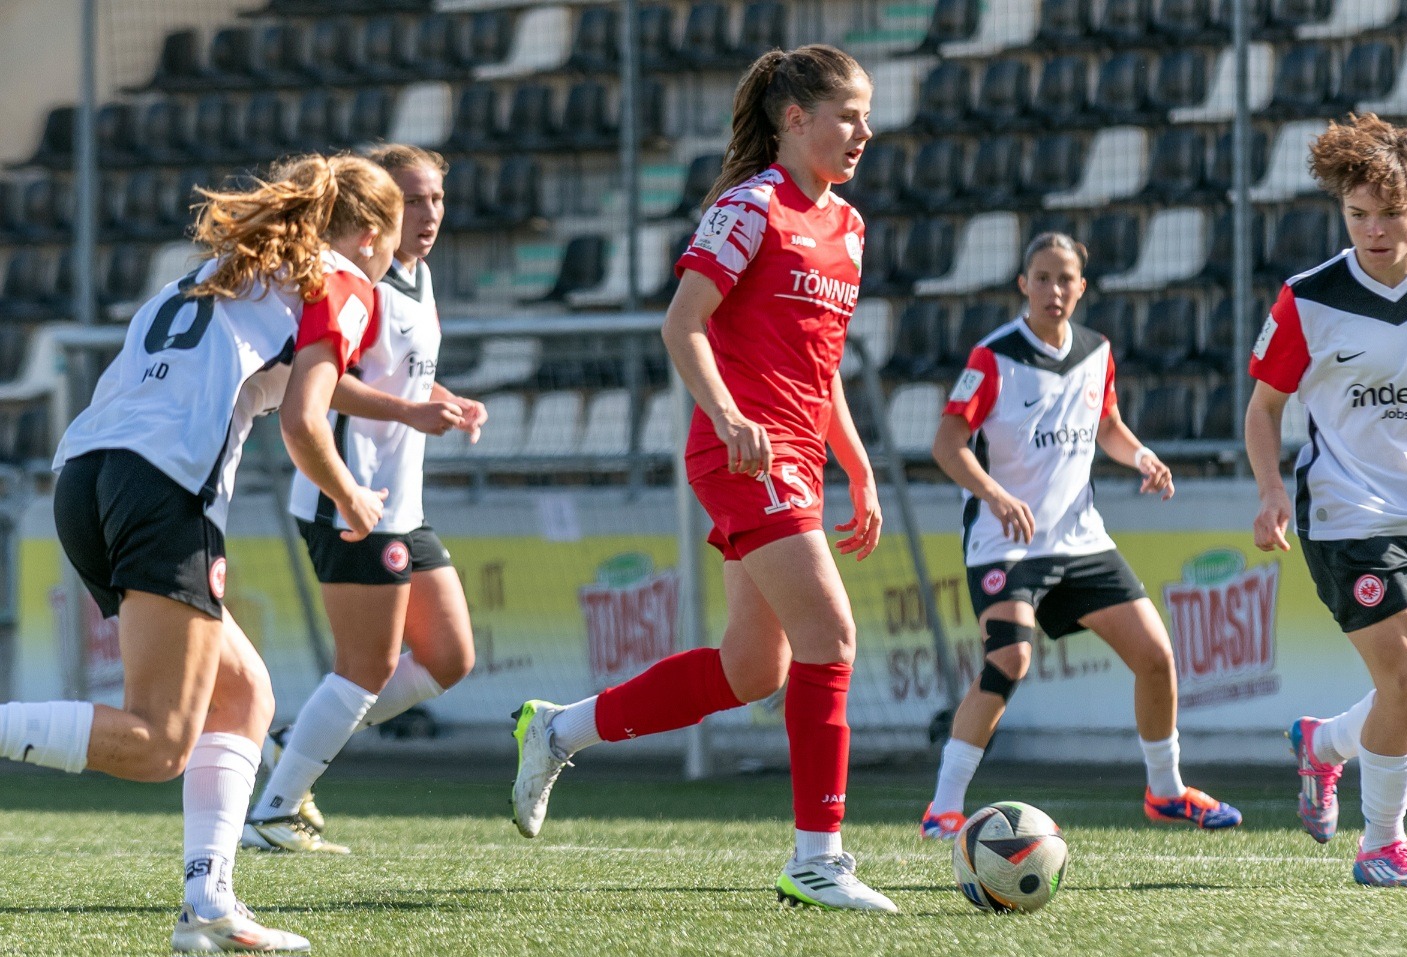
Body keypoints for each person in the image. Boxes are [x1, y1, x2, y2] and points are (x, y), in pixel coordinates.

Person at [508, 45, 897, 912]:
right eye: (849, 114)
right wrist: (728, 418)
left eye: (867, 115)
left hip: (795, 458)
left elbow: (821, 365)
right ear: (794, 120)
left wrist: (859, 465)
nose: (865, 130)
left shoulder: (850, 226)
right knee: (832, 636)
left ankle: (557, 730)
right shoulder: (749, 208)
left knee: (754, 668)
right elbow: (682, 326)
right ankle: (817, 857)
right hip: (741, 454)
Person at [3, 153, 403, 952]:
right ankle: (206, 905)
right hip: (163, 487)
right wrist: (353, 496)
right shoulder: (346, 279)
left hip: (87, 476)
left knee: (245, 694)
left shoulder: (229, 268)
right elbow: (304, 419)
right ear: (369, 235)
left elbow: (275, 380)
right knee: (158, 744)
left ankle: (208, 906)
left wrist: (405, 408)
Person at [1245, 112, 1407, 888]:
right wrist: (1271, 492)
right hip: (1346, 514)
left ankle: (1323, 743)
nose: (1372, 230)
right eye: (1356, 215)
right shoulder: (1308, 299)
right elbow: (1263, 410)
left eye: (1388, 215)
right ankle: (1382, 846)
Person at [919, 233, 1243, 840]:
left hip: (1078, 539)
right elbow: (946, 445)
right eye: (1041, 278)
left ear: (1082, 287)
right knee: (1008, 660)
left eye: (1065, 279)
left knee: (1156, 657)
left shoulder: (1097, 351)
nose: (1053, 290)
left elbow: (1108, 424)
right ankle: (943, 806)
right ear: (1023, 284)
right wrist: (994, 494)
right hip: (1005, 540)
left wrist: (1142, 456)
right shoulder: (993, 358)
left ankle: (1166, 793)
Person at [244, 144, 488, 854]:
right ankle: (276, 811)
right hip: (346, 496)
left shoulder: (415, 275)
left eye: (437, 198)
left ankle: (298, 741)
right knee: (366, 668)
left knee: (448, 657)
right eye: (413, 200)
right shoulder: (360, 282)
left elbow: (398, 378)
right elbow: (319, 385)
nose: (429, 213)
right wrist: (410, 413)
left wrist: (442, 399)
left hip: (400, 505)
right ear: (378, 209)